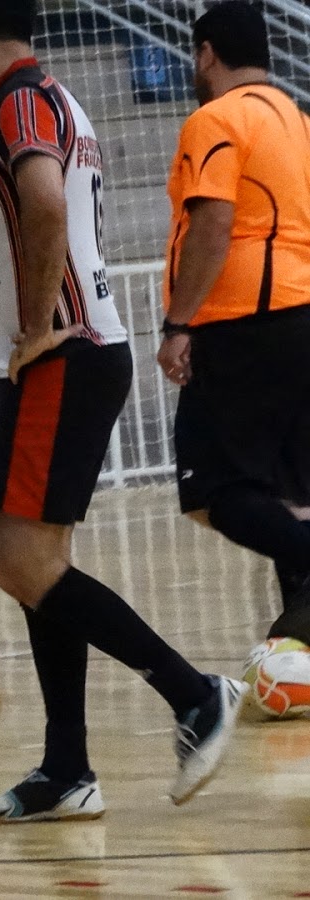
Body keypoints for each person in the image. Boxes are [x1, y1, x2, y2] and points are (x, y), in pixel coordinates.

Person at [0, 0, 243, 822]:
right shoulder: (52, 95)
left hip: (62, 353)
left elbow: (44, 203)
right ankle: (67, 768)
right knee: (41, 566)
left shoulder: (19, 100)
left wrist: (39, 324)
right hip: (75, 352)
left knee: (18, 561)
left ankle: (194, 693)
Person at [156, 1, 310, 648]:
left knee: (211, 493)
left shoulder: (216, 119)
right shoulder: (298, 121)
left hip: (244, 322)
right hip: (301, 316)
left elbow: (213, 224)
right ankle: (301, 647)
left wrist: (178, 322)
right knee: (293, 494)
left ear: (207, 53)